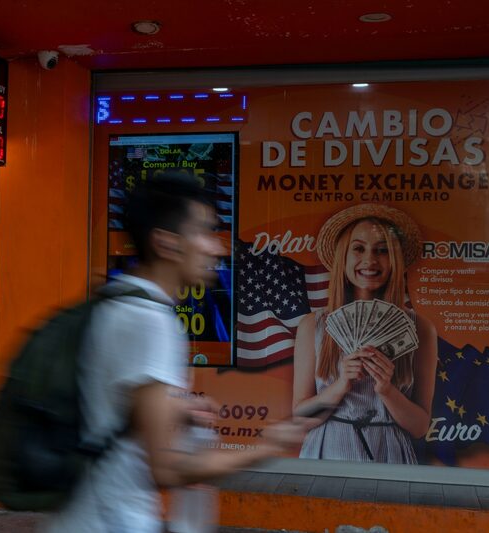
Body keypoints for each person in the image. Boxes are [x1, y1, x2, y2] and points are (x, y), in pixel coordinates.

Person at [47, 173, 302, 533]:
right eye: (204, 232)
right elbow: (166, 468)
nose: (217, 248)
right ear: (166, 244)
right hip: (111, 520)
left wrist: (176, 408)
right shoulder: (151, 321)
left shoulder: (116, 299)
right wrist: (265, 448)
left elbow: (107, 402)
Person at [292, 203, 437, 464]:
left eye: (382, 250)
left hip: (391, 452)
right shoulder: (313, 326)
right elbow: (300, 418)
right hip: (328, 449)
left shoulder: (421, 328)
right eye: (358, 248)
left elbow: (419, 427)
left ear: (395, 259)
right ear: (343, 258)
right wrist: (341, 385)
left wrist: (386, 390)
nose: (370, 260)